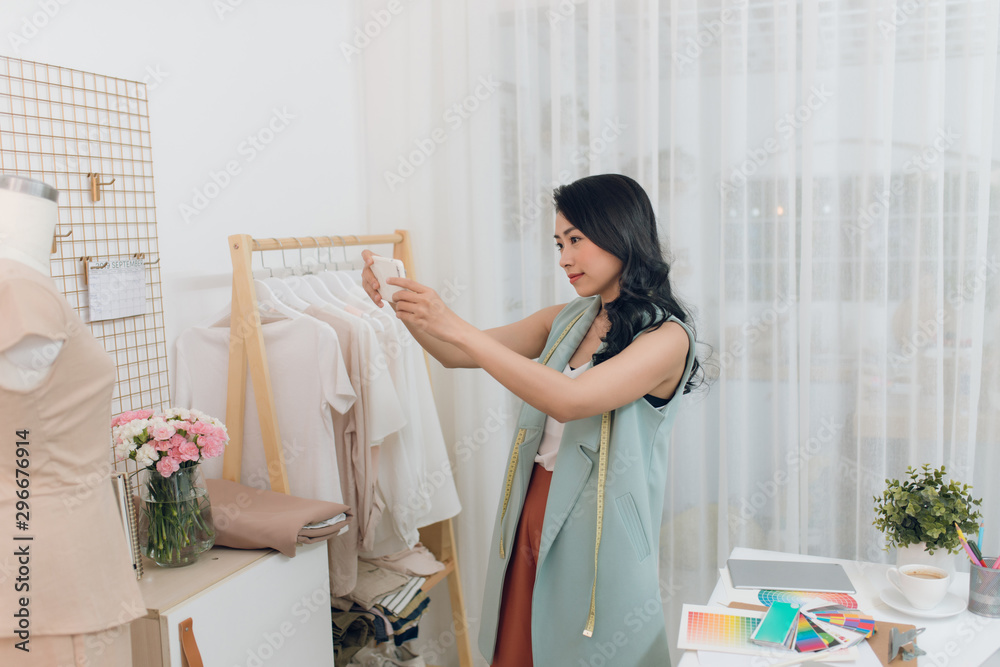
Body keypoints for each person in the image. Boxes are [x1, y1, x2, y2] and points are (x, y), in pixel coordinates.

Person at [361, 173, 701, 667]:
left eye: (576, 240)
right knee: (522, 647)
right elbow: (456, 354)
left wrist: (452, 321)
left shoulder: (667, 338)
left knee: (590, 650)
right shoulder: (566, 318)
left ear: (620, 233)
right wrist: (403, 305)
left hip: (599, 524)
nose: (564, 258)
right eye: (559, 242)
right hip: (533, 502)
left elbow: (569, 399)